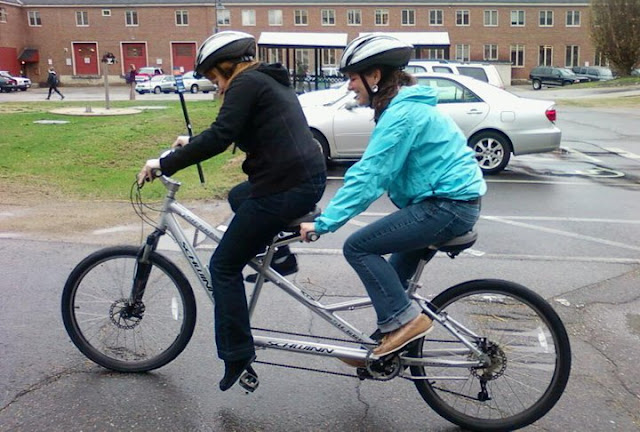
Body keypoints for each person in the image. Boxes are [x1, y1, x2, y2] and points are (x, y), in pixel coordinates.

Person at [138, 31, 326, 391]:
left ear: (226, 67)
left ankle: (237, 353)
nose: (217, 86)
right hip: (299, 179)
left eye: (214, 77)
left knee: (223, 266)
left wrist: (164, 163)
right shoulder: (265, 80)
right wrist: (191, 143)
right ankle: (280, 257)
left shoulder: (246, 83)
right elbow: (235, 129)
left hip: (286, 186)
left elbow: (222, 136)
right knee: (239, 196)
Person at [299, 34, 486, 362]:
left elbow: (370, 175)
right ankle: (385, 347)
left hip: (446, 206)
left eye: (353, 78)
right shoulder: (404, 109)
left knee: (358, 247)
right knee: (393, 279)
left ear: (375, 76)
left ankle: (406, 324)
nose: (349, 86)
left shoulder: (402, 115)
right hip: (448, 204)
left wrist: (325, 222)